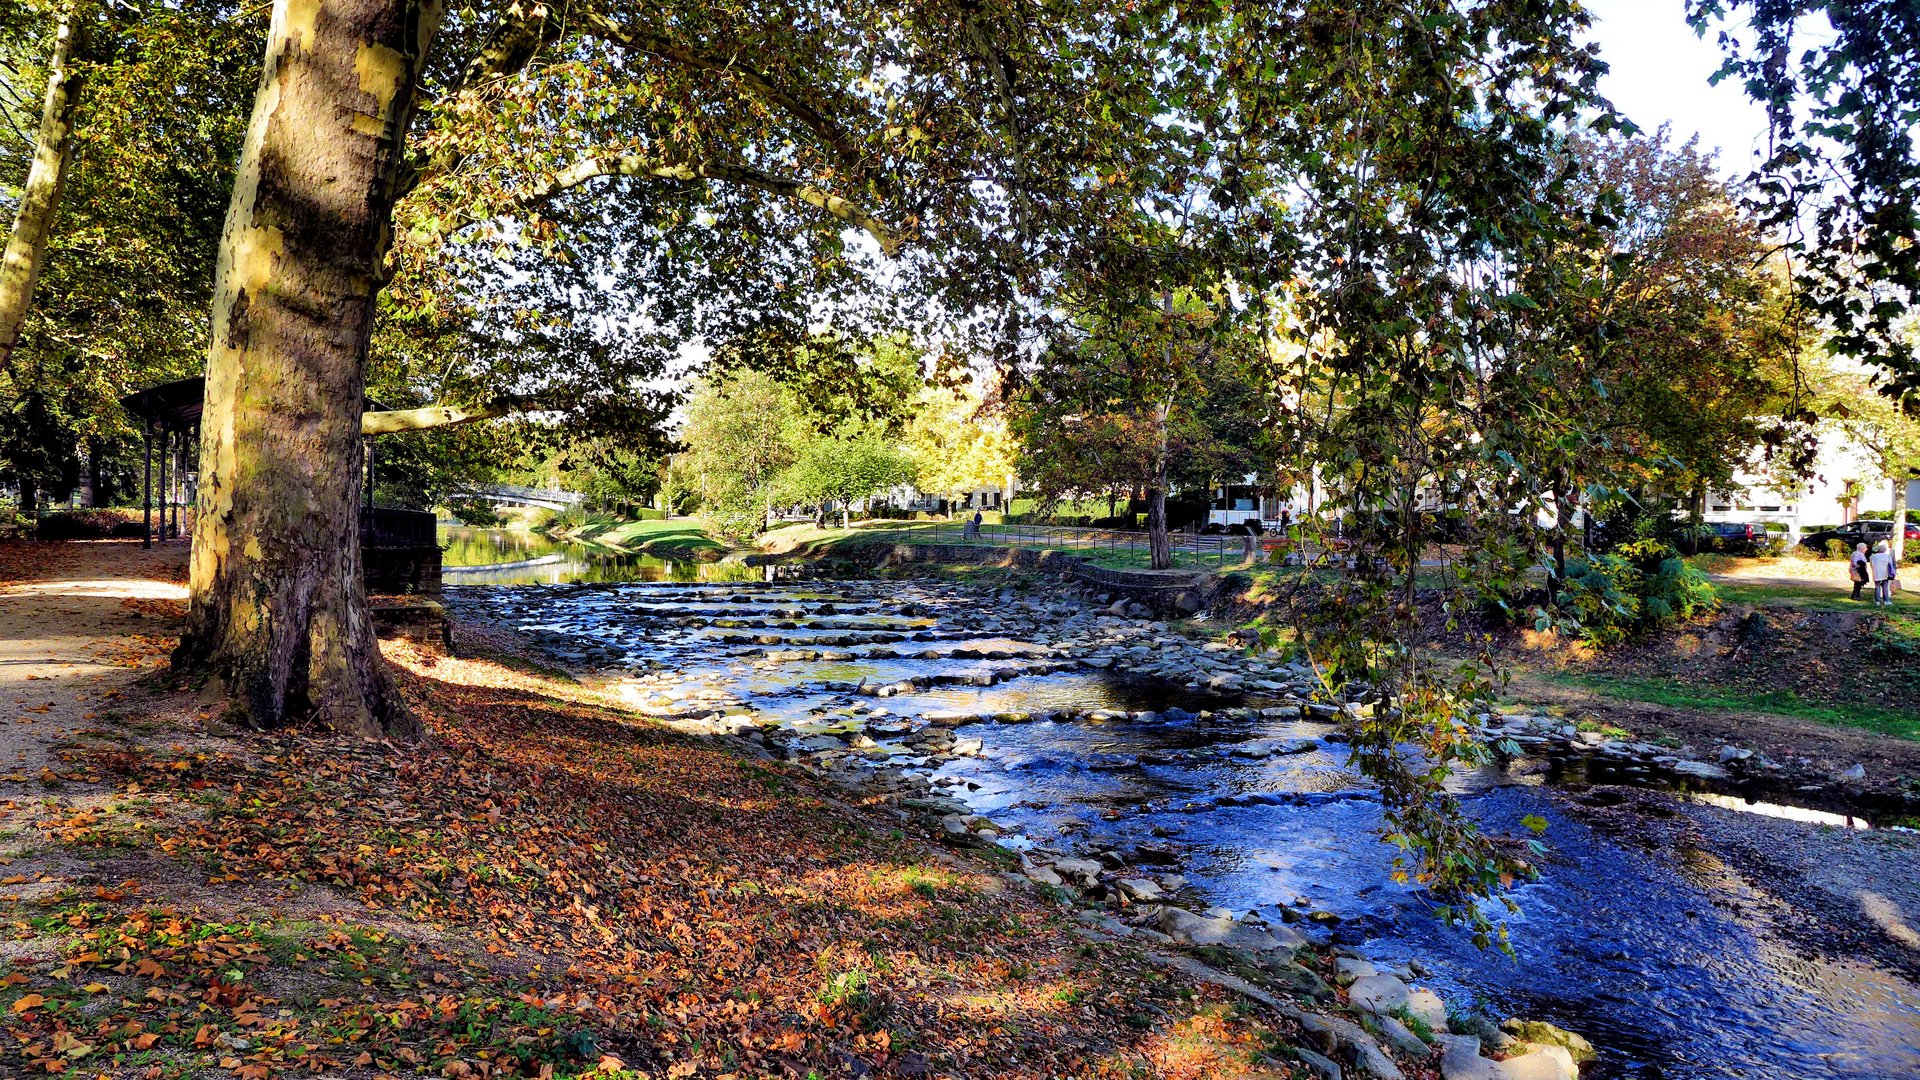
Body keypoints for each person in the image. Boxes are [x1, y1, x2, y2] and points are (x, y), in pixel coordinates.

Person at [1869, 540, 1899, 607]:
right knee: (1885, 587)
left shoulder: (1873, 556)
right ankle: (1886, 600)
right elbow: (1890, 565)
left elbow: (1871, 565)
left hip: (1876, 573)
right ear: (1884, 550)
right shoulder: (1887, 556)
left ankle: (1877, 601)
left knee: (1877, 587)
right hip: (1885, 573)